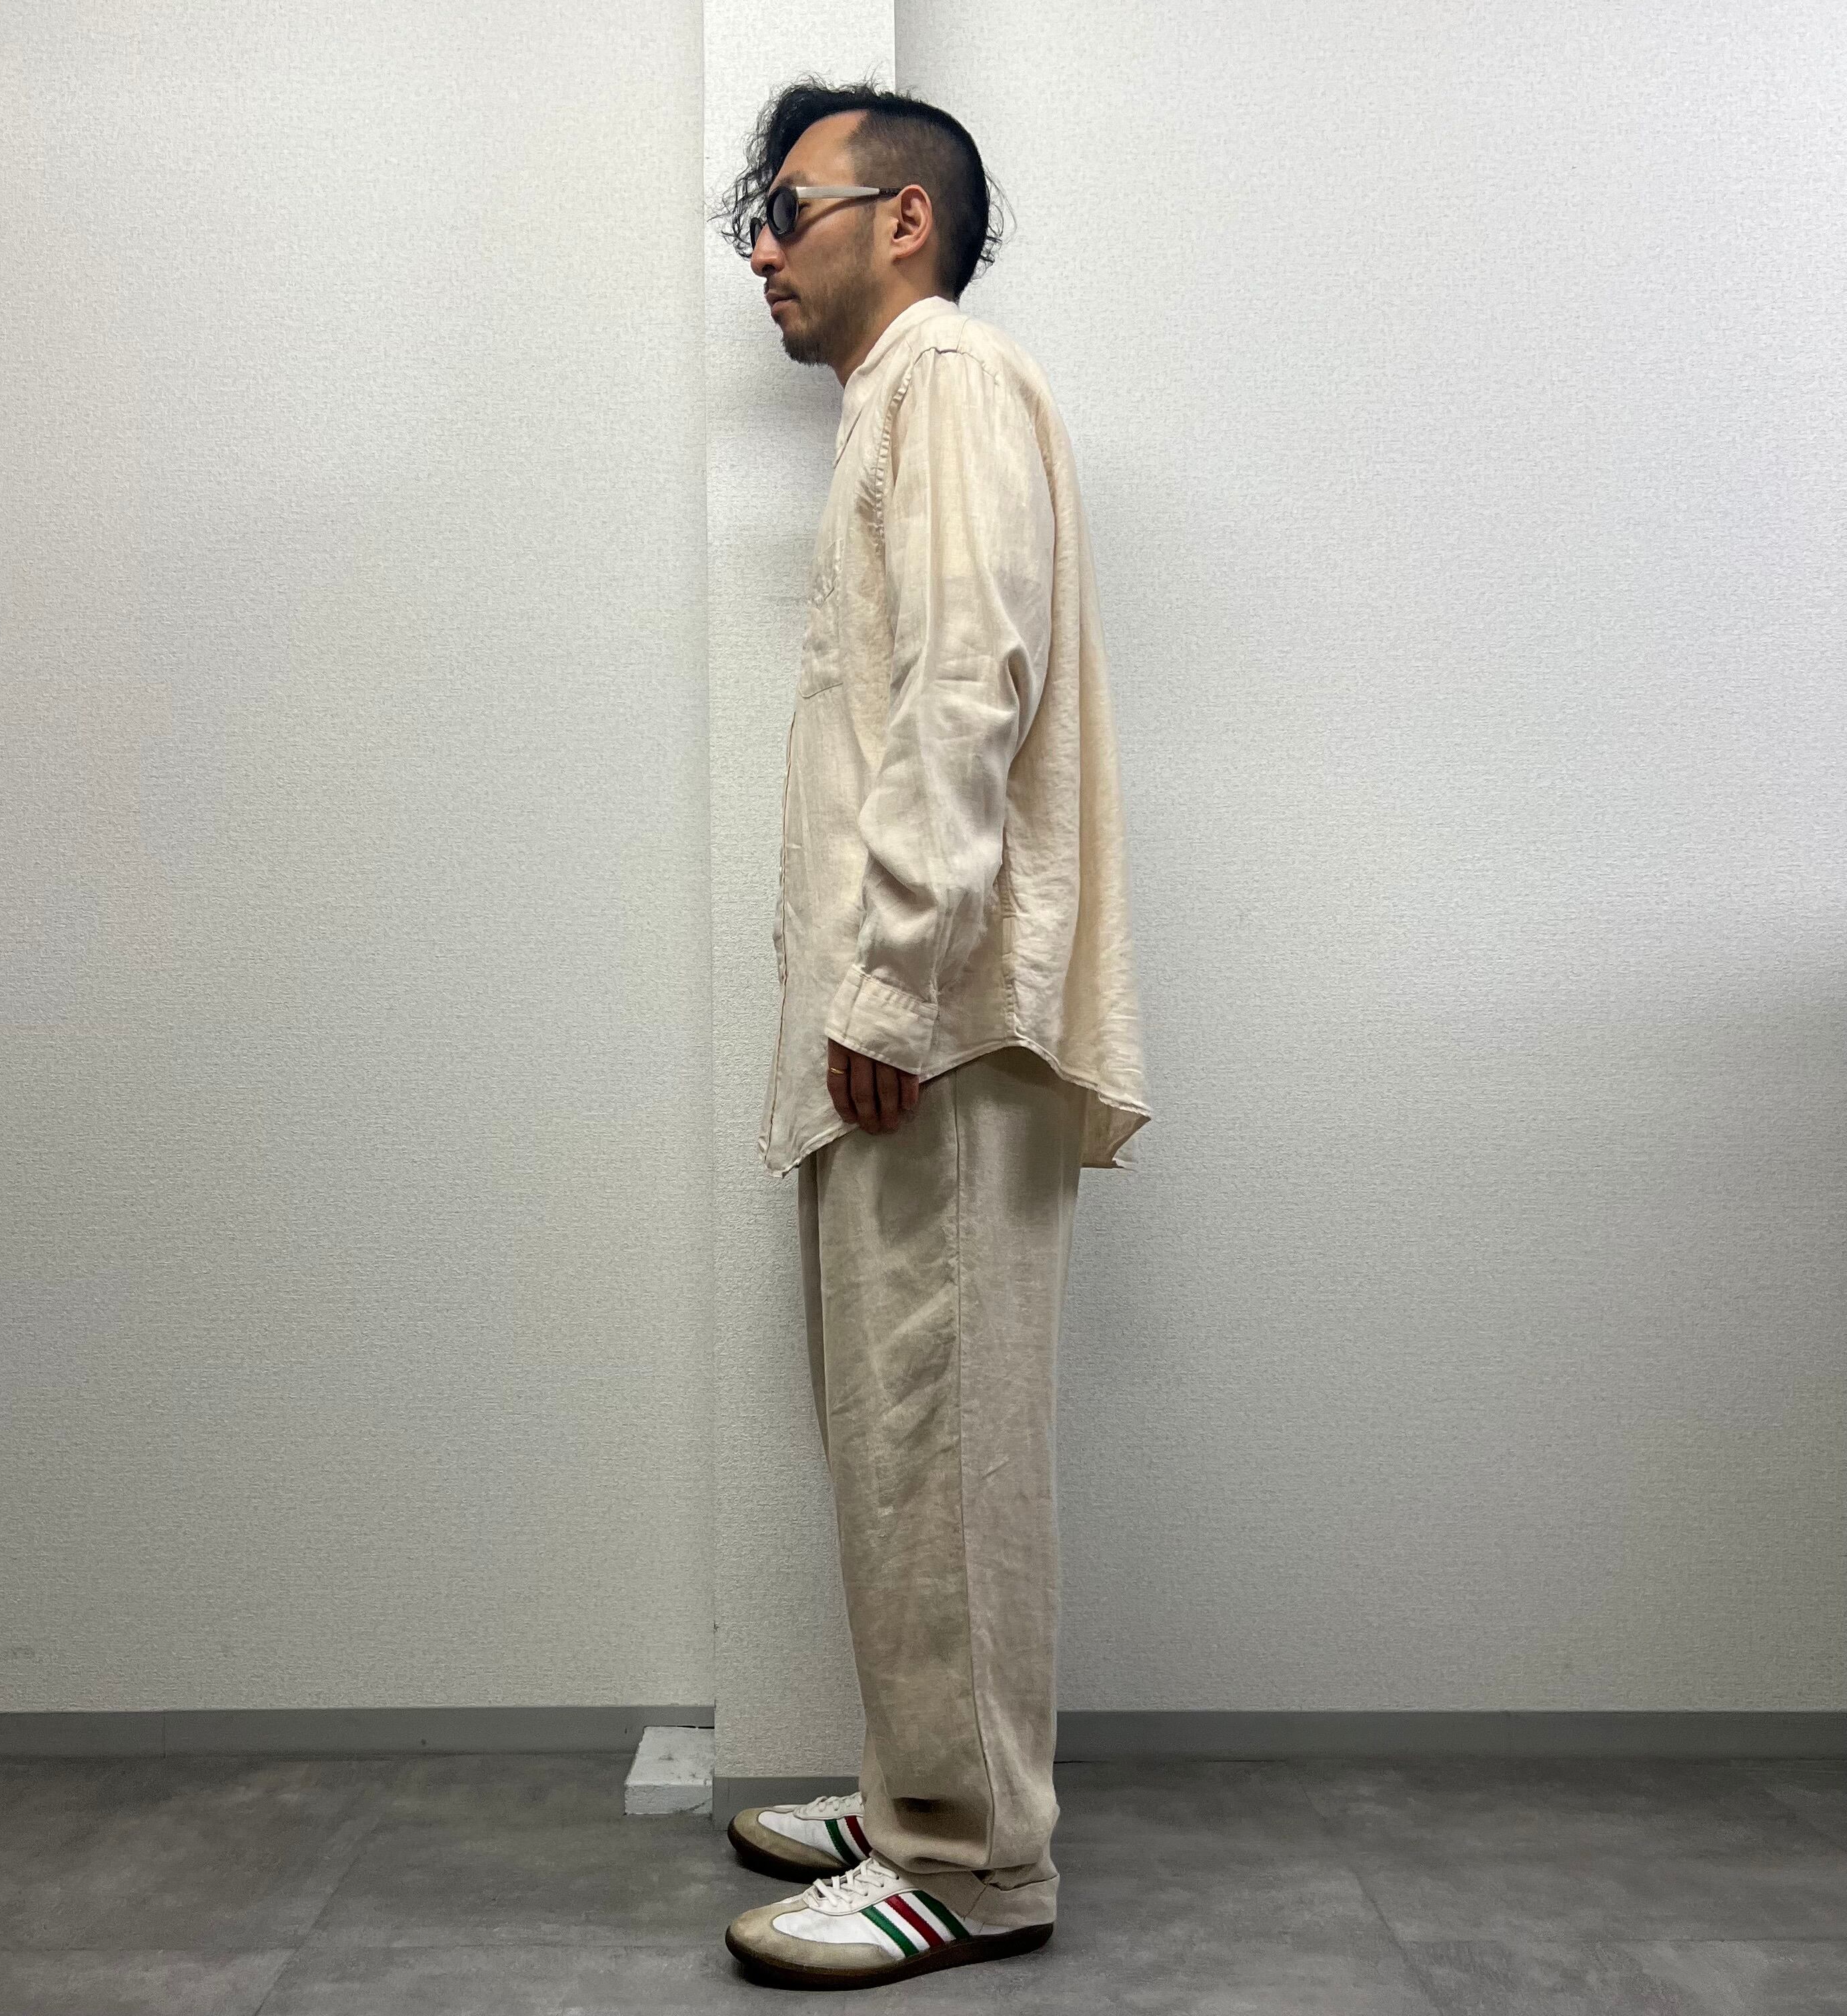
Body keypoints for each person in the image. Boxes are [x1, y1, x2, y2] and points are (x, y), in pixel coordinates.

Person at [711, 76, 1153, 1991]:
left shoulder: (950, 379)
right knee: (897, 1444)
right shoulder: (897, 403)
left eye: (788, 206)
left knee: (941, 1447)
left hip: (939, 1026)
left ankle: (972, 1867)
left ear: (904, 219)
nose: (760, 249)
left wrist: (893, 982)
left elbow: (972, 683)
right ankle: (918, 1798)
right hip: (907, 1018)